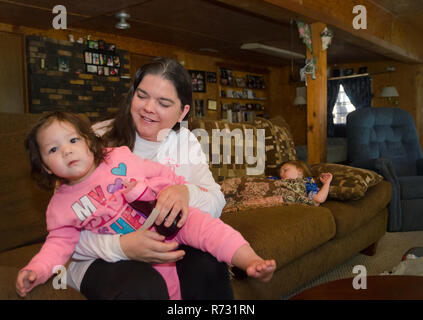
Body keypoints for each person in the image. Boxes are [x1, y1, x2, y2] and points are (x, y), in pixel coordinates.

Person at [16, 111, 276, 298]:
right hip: (135, 248)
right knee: (161, 286)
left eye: (73, 141)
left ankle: (250, 260)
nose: (66, 151)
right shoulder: (61, 206)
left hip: (162, 216)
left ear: (88, 141)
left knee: (208, 229)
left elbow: (155, 171)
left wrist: (179, 189)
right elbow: (58, 245)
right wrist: (35, 271)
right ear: (45, 167)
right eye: (53, 150)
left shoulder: (116, 157)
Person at [67, 57, 239, 299]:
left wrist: (186, 192)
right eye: (142, 95)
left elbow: (216, 201)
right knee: (143, 286)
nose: (148, 107)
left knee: (209, 263)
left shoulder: (185, 142)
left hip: (165, 246)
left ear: (183, 112)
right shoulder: (96, 139)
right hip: (100, 255)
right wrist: (123, 247)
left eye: (164, 103)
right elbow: (65, 228)